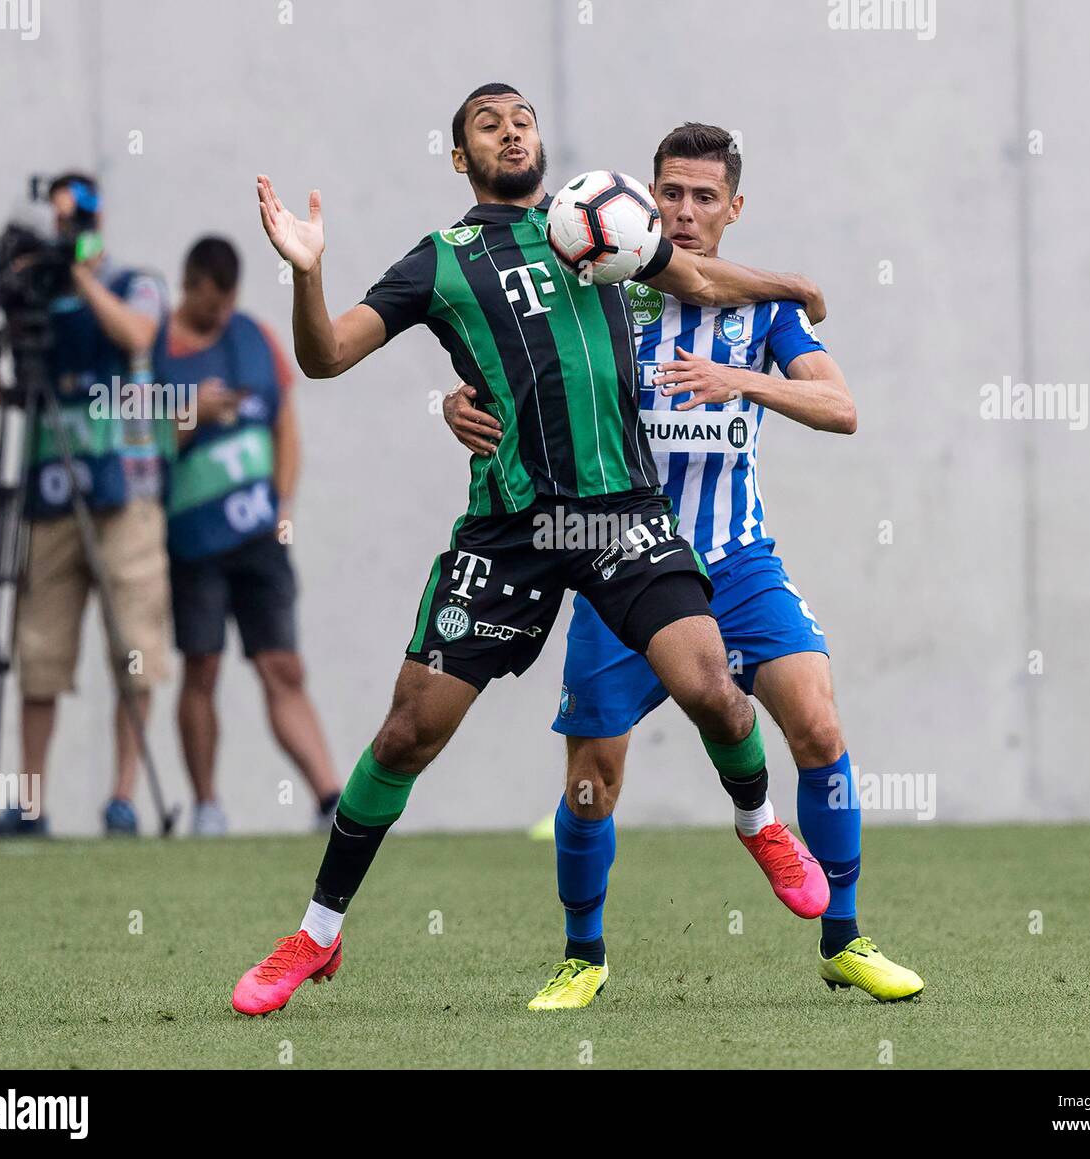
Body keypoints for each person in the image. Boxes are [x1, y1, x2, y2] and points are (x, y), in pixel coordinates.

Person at [230, 83, 830, 1016]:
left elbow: (703, 281)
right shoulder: (441, 260)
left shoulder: (599, 221)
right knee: (407, 731)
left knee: (712, 684)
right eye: (486, 124)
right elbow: (325, 356)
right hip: (513, 531)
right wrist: (307, 273)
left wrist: (791, 286)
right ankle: (315, 934)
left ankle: (759, 820)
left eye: (522, 119)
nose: (511, 131)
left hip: (622, 512)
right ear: (461, 159)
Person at [446, 123, 923, 1006]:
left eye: (706, 197)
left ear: (734, 208)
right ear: (643, 199)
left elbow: (841, 407)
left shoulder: (761, 313)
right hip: (618, 562)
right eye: (672, 193)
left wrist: (747, 381)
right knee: (592, 781)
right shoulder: (601, 288)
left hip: (738, 563)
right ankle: (582, 955)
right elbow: (502, 361)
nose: (687, 212)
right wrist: (458, 401)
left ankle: (845, 937)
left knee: (816, 722)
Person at [0, 172, 171, 836]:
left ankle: (122, 797)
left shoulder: (133, 282)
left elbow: (137, 335)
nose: (62, 234)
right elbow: (23, 381)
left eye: (73, 221)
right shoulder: (37, 296)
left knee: (134, 647)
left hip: (125, 492)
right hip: (48, 494)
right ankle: (29, 802)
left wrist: (79, 276)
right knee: (41, 648)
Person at [155, 236, 342, 835]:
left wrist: (282, 505)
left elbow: (285, 425)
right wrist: (191, 417)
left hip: (259, 538)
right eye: (207, 303)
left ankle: (327, 797)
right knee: (201, 668)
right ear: (187, 286)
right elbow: (138, 444)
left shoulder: (254, 337)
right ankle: (208, 805)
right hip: (192, 542)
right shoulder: (154, 350)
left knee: (282, 665)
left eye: (225, 301)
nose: (217, 313)